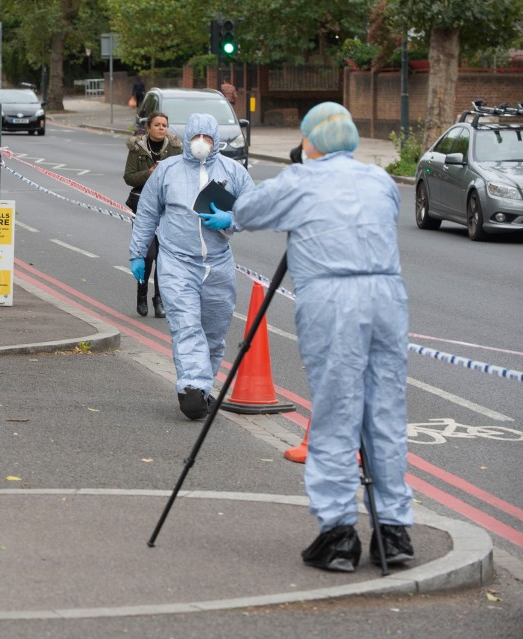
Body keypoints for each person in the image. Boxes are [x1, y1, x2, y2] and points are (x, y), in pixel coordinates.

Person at [228, 102, 414, 573]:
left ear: (310, 140)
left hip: (333, 298)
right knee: (385, 411)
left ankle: (337, 534)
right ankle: (394, 530)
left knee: (336, 412)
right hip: (386, 296)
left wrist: (296, 172)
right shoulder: (378, 180)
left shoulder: (301, 180)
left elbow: (246, 211)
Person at [129, 113, 254, 420]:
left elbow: (254, 207)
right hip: (176, 262)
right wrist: (137, 252)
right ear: (186, 139)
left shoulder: (232, 171)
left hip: (218, 263)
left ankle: (202, 387)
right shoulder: (168, 171)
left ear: (216, 141)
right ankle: (191, 389)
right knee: (186, 326)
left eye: (207, 138)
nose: (201, 143)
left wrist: (232, 219)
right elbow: (147, 213)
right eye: (196, 137)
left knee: (213, 331)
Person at [124, 112, 182, 318]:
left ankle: (159, 300)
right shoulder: (137, 148)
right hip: (142, 206)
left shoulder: (176, 149)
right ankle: (141, 295)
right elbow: (128, 177)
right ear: (148, 127)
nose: (161, 128)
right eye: (157, 125)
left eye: (164, 125)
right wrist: (148, 173)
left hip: (167, 208)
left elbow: (181, 177)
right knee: (147, 255)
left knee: (163, 257)